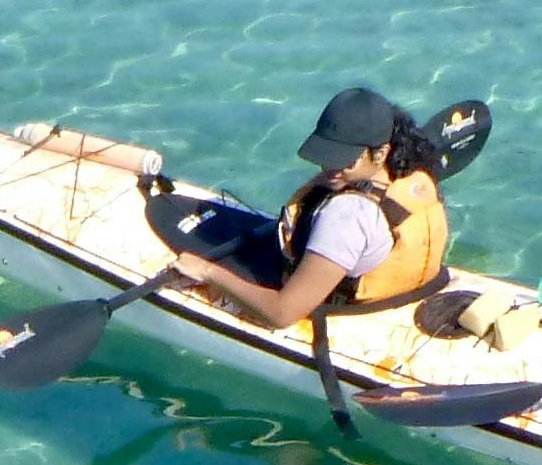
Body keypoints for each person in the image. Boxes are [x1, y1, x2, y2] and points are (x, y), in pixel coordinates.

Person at [172, 84, 453, 330]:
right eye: (326, 153)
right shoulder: (412, 174)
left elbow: (282, 314)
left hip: (345, 309)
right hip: (409, 291)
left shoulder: (345, 216)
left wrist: (207, 272)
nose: (330, 166)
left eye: (344, 159)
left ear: (380, 153)